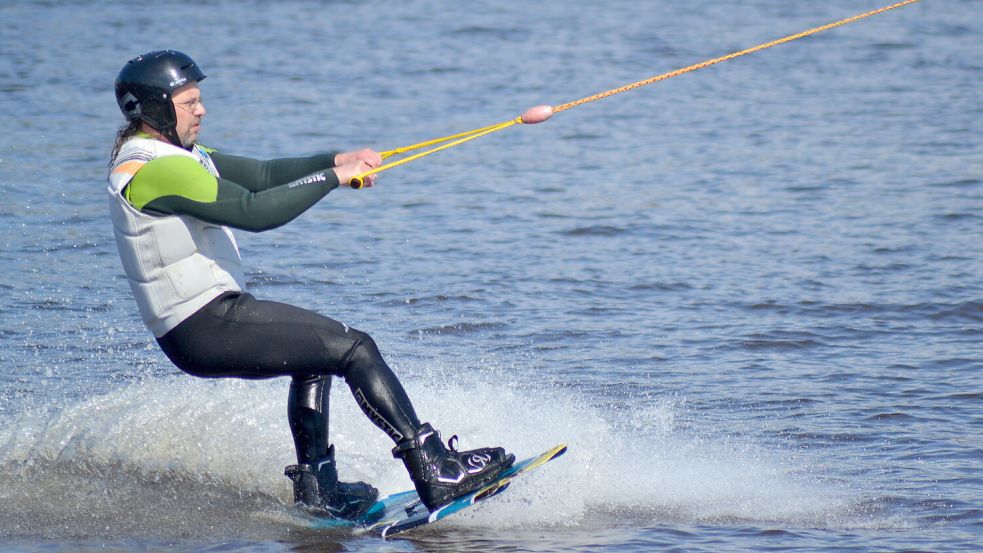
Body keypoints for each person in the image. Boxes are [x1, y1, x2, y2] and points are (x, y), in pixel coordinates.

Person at [107, 50, 514, 520]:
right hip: (205, 324)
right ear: (157, 107)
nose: (202, 110)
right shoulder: (158, 168)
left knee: (315, 355)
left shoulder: (173, 155)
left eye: (200, 100)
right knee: (354, 348)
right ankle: (435, 468)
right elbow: (255, 211)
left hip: (201, 324)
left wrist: (335, 159)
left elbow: (260, 175)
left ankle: (318, 489)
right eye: (190, 102)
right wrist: (336, 177)